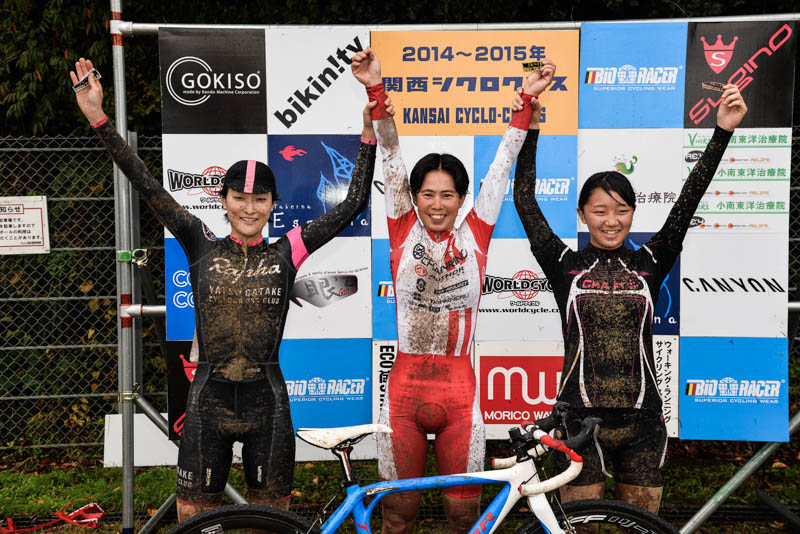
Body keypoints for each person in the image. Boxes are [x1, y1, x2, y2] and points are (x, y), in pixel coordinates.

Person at [70, 58, 379, 520]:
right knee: (195, 521)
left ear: (274, 203)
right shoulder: (198, 242)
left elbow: (353, 203)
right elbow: (144, 182)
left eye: (259, 199)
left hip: (268, 404)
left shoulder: (288, 250)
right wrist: (98, 117)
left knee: (270, 523)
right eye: (240, 198)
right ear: (223, 200)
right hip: (207, 402)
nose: (249, 208)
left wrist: (368, 129)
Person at [511, 68, 747, 514]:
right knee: (583, 528)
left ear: (633, 214)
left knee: (643, 527)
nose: (611, 220)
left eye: (621, 210)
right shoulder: (566, 266)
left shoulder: (650, 262)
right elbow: (525, 200)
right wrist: (530, 120)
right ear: (583, 215)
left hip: (643, 424)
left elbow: (687, 203)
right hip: (579, 422)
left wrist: (722, 132)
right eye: (600, 210)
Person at [350, 48, 555, 534]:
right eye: (427, 194)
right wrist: (375, 90)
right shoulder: (402, 227)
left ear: (462, 199)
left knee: (465, 517)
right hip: (402, 396)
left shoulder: (477, 229)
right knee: (397, 517)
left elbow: (504, 162)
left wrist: (525, 100)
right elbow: (392, 157)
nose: (437, 204)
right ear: (413, 197)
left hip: (461, 396)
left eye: (447, 195)